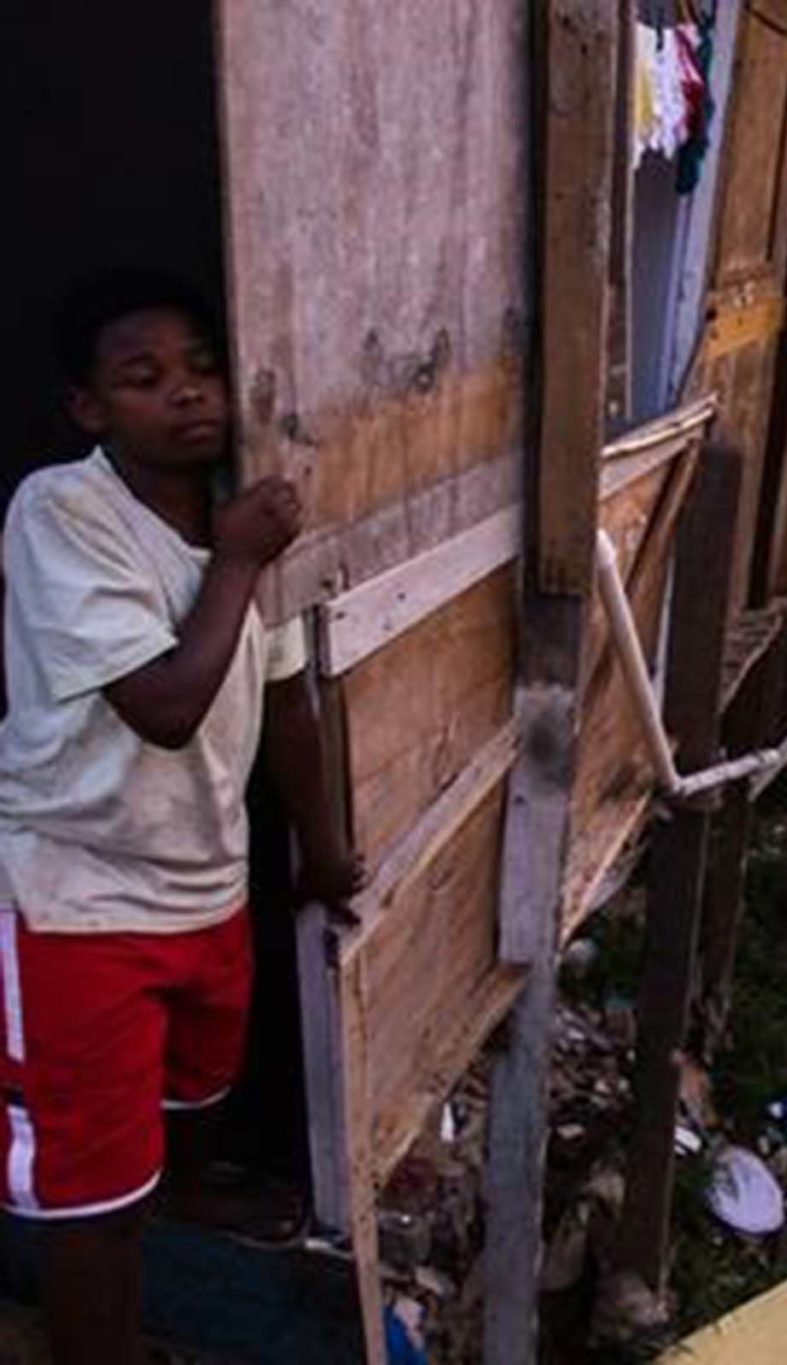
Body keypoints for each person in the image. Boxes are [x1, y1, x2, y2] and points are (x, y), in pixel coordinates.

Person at [0, 269, 363, 1365]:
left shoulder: (235, 510)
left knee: (200, 1089)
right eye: (144, 378)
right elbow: (163, 705)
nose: (188, 395)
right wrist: (241, 559)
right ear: (88, 408)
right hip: (77, 891)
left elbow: (291, 696)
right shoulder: (63, 512)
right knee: (91, 1188)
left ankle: (187, 1194)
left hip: (205, 879)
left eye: (202, 369)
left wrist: (323, 844)